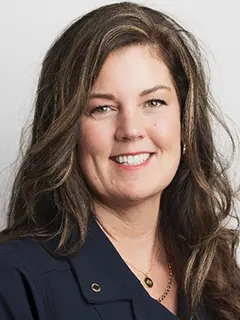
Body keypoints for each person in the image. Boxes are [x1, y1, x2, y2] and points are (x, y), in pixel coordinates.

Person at [0, 1, 239, 319]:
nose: (131, 130)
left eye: (153, 101)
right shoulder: (15, 277)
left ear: (185, 123)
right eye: (102, 108)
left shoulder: (215, 270)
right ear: (66, 130)